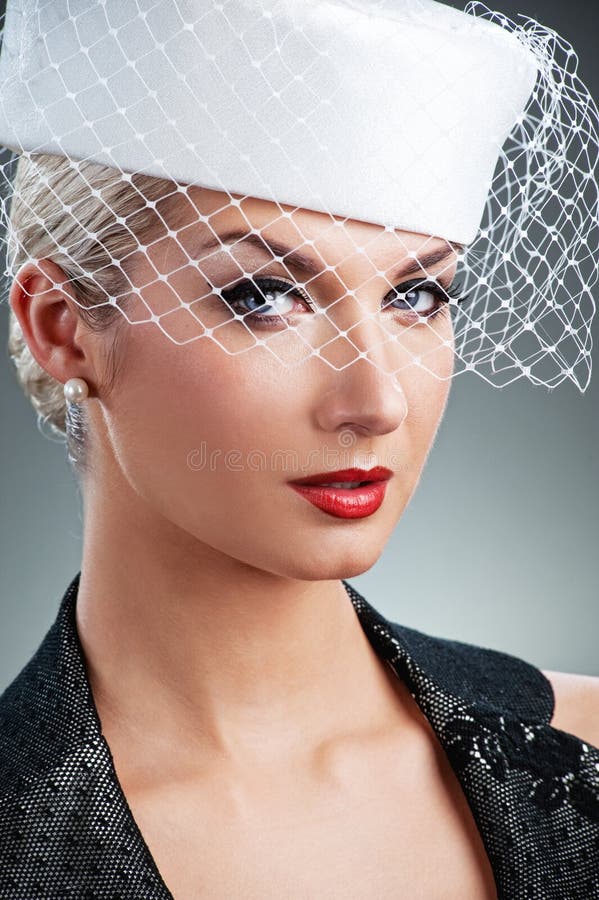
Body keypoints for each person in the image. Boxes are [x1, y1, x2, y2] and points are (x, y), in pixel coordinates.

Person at [0, 1, 598, 898]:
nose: (376, 401)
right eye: (263, 296)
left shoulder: (585, 745)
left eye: (418, 297)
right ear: (63, 328)